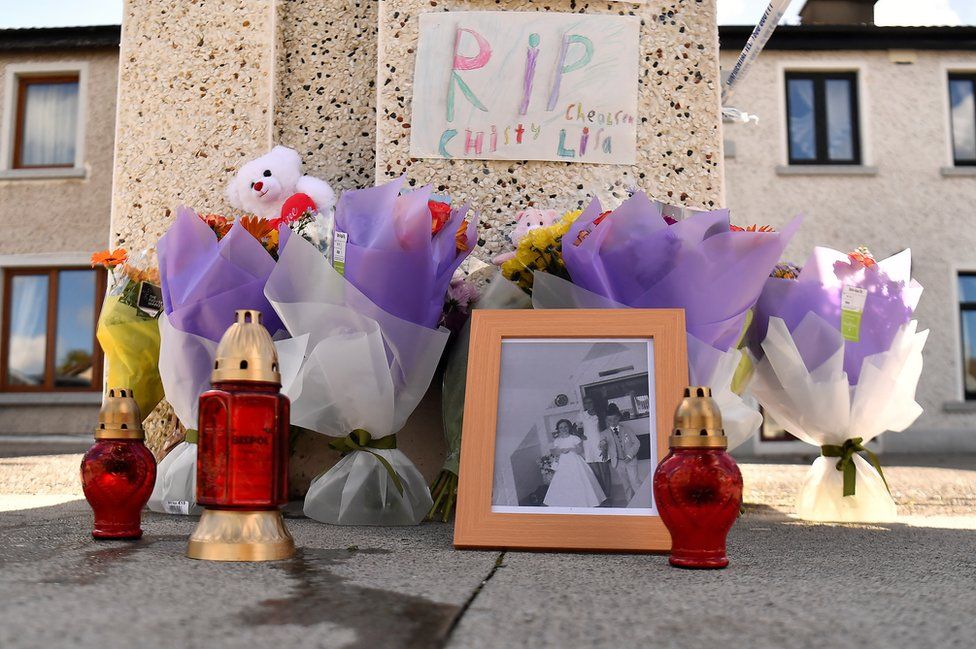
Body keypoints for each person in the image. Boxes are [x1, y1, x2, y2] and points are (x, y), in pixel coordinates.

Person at [543, 419, 606, 508]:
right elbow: (555, 452)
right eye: (561, 427)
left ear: (569, 427)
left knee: (579, 480)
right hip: (563, 463)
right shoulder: (557, 440)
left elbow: (580, 450)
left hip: (575, 461)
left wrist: (570, 448)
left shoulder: (574, 438)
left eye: (565, 427)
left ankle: (584, 502)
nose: (563, 429)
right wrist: (560, 450)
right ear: (558, 429)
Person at [603, 404, 641, 502]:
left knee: (634, 481)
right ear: (607, 420)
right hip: (618, 462)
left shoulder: (626, 429)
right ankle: (630, 501)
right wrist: (602, 445)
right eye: (610, 420)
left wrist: (630, 455)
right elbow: (602, 446)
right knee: (625, 483)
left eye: (615, 419)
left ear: (619, 418)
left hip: (630, 460)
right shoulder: (605, 433)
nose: (613, 422)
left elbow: (636, 443)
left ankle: (641, 500)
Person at [578, 396, 611, 502]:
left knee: (605, 470)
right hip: (589, 446)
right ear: (584, 405)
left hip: (601, 444)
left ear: (594, 403)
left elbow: (606, 430)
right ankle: (602, 495)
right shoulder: (581, 415)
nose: (588, 404)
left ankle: (608, 493)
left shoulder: (600, 414)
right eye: (586, 403)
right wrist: (580, 435)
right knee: (596, 473)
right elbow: (575, 428)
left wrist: (605, 445)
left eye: (590, 402)